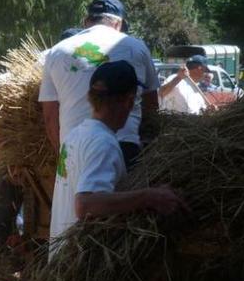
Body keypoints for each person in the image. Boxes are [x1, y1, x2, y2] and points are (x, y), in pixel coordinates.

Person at [50, 61, 186, 242]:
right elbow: (85, 204)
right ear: (129, 101)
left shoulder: (74, 135)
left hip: (60, 260)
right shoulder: (103, 143)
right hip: (81, 262)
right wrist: (150, 196)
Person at [39, 0, 160, 170]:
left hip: (73, 146)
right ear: (118, 24)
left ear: (86, 21)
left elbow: (50, 115)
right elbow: (151, 105)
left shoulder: (57, 51)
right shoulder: (137, 47)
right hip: (123, 146)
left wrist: (62, 155)